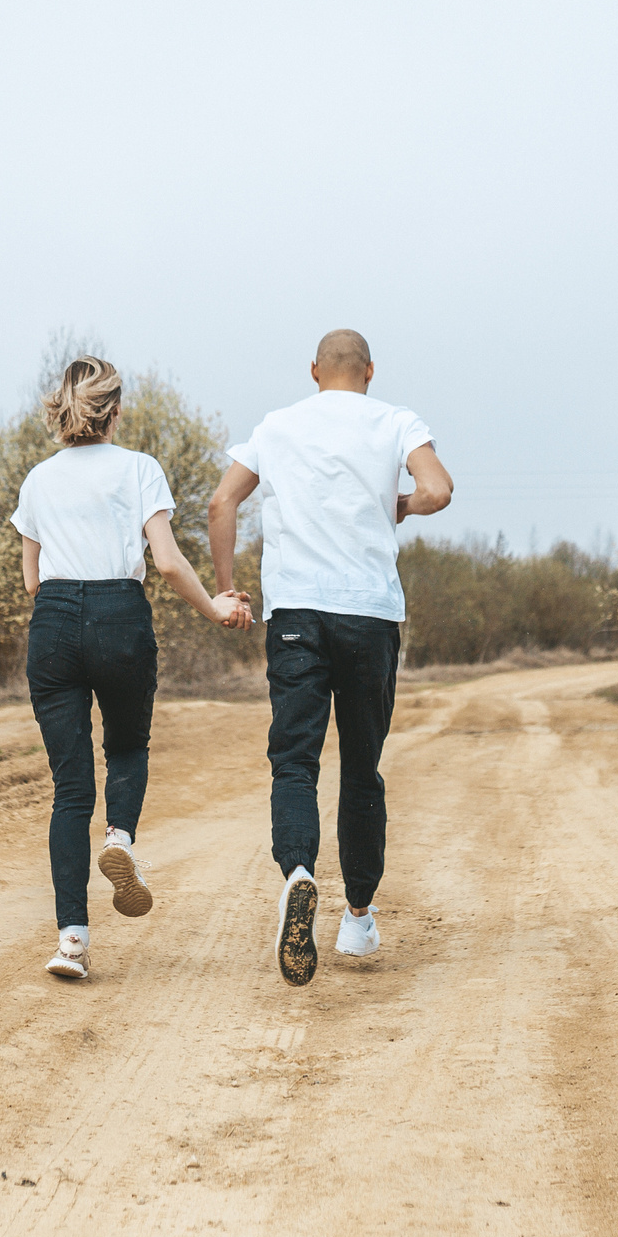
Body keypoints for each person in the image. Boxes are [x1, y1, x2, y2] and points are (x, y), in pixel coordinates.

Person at [207, 329, 452, 985]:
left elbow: (221, 500)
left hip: (296, 613)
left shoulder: (278, 425)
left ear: (314, 370)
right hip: (370, 613)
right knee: (362, 767)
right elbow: (439, 488)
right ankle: (360, 917)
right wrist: (401, 502)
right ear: (370, 370)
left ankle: (298, 872)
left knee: (295, 761)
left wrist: (228, 584)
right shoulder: (395, 420)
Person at [16, 357, 251, 981]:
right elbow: (169, 563)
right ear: (115, 410)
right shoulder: (141, 469)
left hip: (56, 619)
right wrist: (214, 608)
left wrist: (67, 612)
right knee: (127, 746)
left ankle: (71, 942)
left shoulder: (38, 480)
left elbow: (31, 580)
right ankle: (120, 838)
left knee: (69, 789)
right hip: (121, 613)